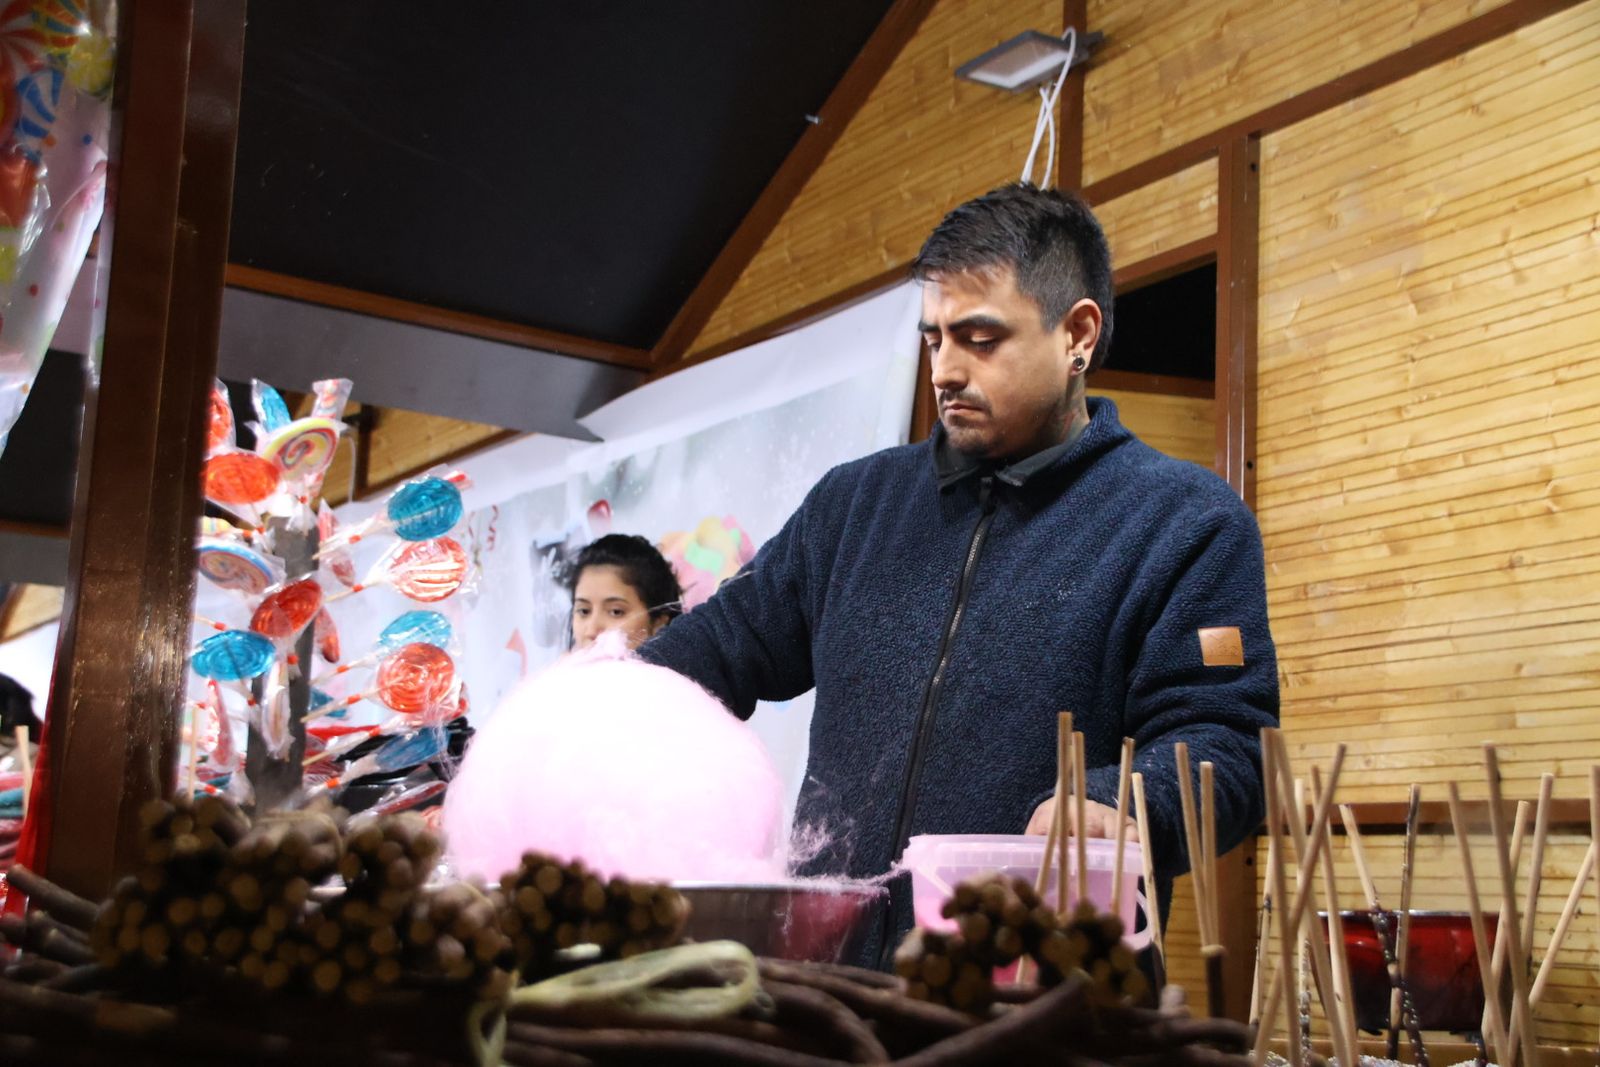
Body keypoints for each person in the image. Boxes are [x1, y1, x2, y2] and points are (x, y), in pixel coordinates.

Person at [639, 183, 1279, 966]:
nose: (944, 369)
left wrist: (1122, 802)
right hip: (828, 992)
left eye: (980, 338)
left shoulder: (1181, 521)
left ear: (1077, 334)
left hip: (1035, 1000)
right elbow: (720, 645)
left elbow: (1225, 743)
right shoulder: (855, 503)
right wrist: (589, 700)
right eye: (934, 338)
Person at [569, 534, 684, 651]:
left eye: (616, 612)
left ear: (658, 623)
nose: (592, 631)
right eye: (584, 611)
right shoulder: (559, 668)